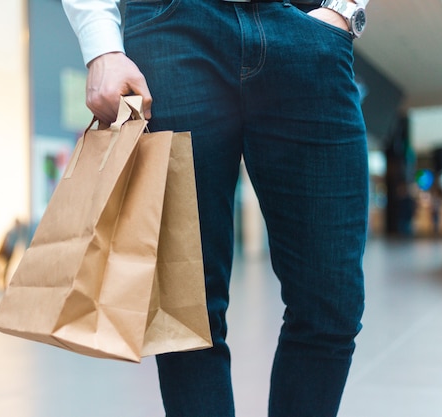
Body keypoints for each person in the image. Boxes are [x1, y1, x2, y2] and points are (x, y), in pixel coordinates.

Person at [61, 0, 370, 416]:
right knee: (186, 312)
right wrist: (101, 44)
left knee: (333, 303)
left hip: (307, 27)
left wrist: (343, 9)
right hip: (170, 24)